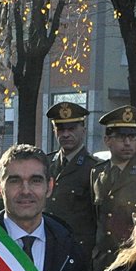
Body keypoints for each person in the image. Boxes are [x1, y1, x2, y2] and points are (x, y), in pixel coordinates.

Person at [91, 105, 136, 266]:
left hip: (133, 260)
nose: (127, 143)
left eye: (132, 137)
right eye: (121, 137)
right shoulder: (97, 172)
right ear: (107, 140)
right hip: (102, 260)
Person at [46, 101, 97, 242]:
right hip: (47, 243)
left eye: (72, 129)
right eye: (61, 129)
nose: (66, 134)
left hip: (77, 248)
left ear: (83, 131)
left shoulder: (94, 168)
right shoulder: (45, 164)